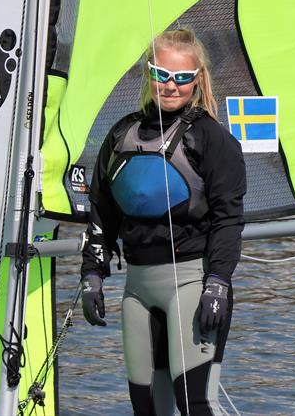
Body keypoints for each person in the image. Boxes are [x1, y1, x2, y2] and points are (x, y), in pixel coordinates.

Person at [79, 29, 247, 416]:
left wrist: (218, 282)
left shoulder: (212, 139)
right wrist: (92, 275)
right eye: (161, 74)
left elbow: (228, 219)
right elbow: (102, 209)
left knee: (196, 405)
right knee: (148, 409)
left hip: (193, 283)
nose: (171, 86)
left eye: (182, 77)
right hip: (138, 290)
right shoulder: (121, 134)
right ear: (148, 74)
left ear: (197, 79)